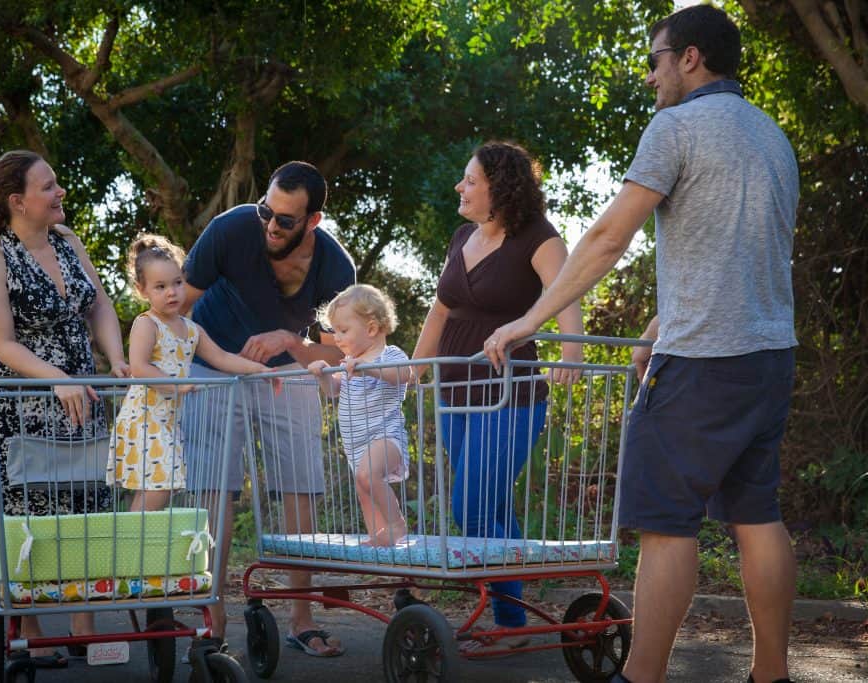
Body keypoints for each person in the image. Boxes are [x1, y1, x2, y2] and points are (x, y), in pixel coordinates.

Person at [483, 6, 799, 683]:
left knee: (666, 524)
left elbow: (606, 237)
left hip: (701, 365)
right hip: (770, 354)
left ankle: (641, 677)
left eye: (656, 60)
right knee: (757, 514)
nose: (650, 76)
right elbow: (742, 253)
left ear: (689, 58)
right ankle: (771, 674)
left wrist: (530, 319)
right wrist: (660, 322)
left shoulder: (676, 127)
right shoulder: (773, 138)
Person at [0, 150, 130, 667]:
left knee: (87, 502)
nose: (59, 193)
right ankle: (31, 629)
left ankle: (85, 629)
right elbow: (0, 342)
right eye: (48, 187)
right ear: (18, 201)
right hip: (21, 401)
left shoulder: (68, 241)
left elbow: (98, 303)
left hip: (83, 396)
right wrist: (58, 380)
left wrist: (116, 359)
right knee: (27, 511)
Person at [411, 140, 585, 652]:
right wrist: (414, 370)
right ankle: (516, 620)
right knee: (490, 505)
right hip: (454, 388)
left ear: (498, 186)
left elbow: (566, 295)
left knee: (472, 503)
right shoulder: (462, 236)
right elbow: (441, 310)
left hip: (510, 391)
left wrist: (570, 354)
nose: (459, 187)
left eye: (469, 180)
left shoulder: (539, 237)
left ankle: (510, 621)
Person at [180, 161, 356, 656]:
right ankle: (212, 618)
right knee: (216, 489)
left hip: (285, 371)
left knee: (301, 484)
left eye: (285, 221)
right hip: (211, 368)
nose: (270, 226)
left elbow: (340, 353)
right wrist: (174, 374)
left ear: (313, 222)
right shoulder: (231, 229)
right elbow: (176, 312)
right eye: (266, 212)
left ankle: (301, 617)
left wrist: (291, 343)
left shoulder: (336, 270)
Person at [106, 234, 276, 511]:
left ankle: (135, 546)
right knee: (160, 486)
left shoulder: (191, 328)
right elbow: (138, 367)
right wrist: (176, 385)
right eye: (160, 287)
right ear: (142, 290)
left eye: (177, 283)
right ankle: (131, 546)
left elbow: (222, 357)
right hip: (144, 418)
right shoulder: (147, 324)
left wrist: (260, 369)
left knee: (161, 485)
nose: (171, 292)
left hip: (168, 421)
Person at [308, 284, 411, 547]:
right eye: (335, 331)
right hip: (357, 444)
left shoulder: (390, 355)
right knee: (363, 487)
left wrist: (368, 369)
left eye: (343, 331)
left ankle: (396, 525)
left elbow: (404, 375)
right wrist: (323, 374)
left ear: (372, 329)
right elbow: (332, 391)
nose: (337, 338)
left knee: (367, 476)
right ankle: (379, 537)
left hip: (386, 437)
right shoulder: (348, 364)